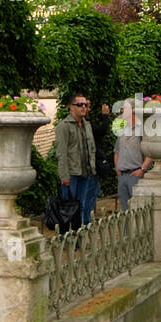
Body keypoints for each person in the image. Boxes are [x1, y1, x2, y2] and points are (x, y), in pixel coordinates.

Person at [55, 90, 100, 227]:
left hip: (86, 173)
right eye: (79, 104)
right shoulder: (64, 126)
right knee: (68, 208)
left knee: (81, 206)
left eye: (85, 105)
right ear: (71, 107)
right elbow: (61, 152)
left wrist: (92, 168)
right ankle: (65, 238)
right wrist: (64, 176)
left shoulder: (87, 125)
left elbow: (91, 149)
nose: (83, 107)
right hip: (71, 175)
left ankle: (78, 237)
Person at [114, 97, 153, 211]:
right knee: (124, 211)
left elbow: (150, 152)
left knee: (138, 210)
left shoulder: (142, 129)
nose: (122, 111)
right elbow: (117, 151)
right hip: (122, 176)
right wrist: (117, 169)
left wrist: (142, 169)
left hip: (135, 175)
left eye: (125, 108)